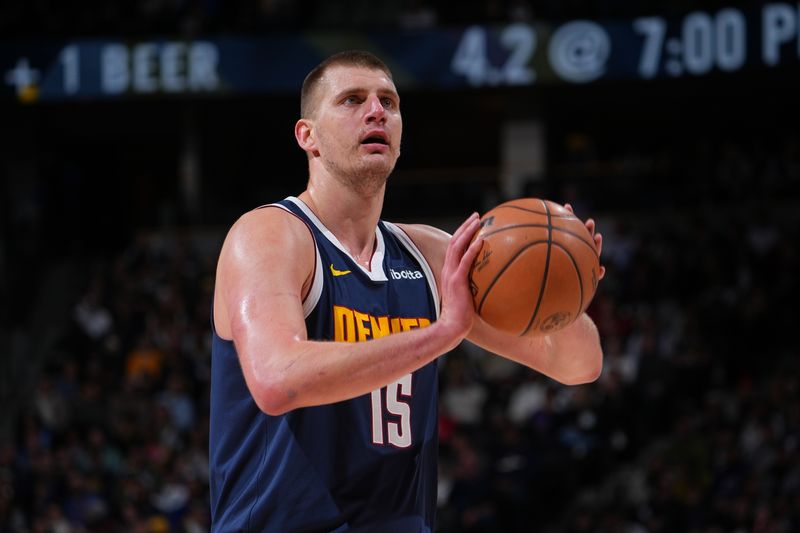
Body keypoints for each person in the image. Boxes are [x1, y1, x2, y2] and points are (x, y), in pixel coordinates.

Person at [209, 50, 605, 532]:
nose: (376, 111)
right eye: (353, 100)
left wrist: (565, 289)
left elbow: (578, 364)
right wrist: (442, 334)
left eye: (389, 103)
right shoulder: (271, 235)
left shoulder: (428, 254)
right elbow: (277, 380)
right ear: (306, 136)